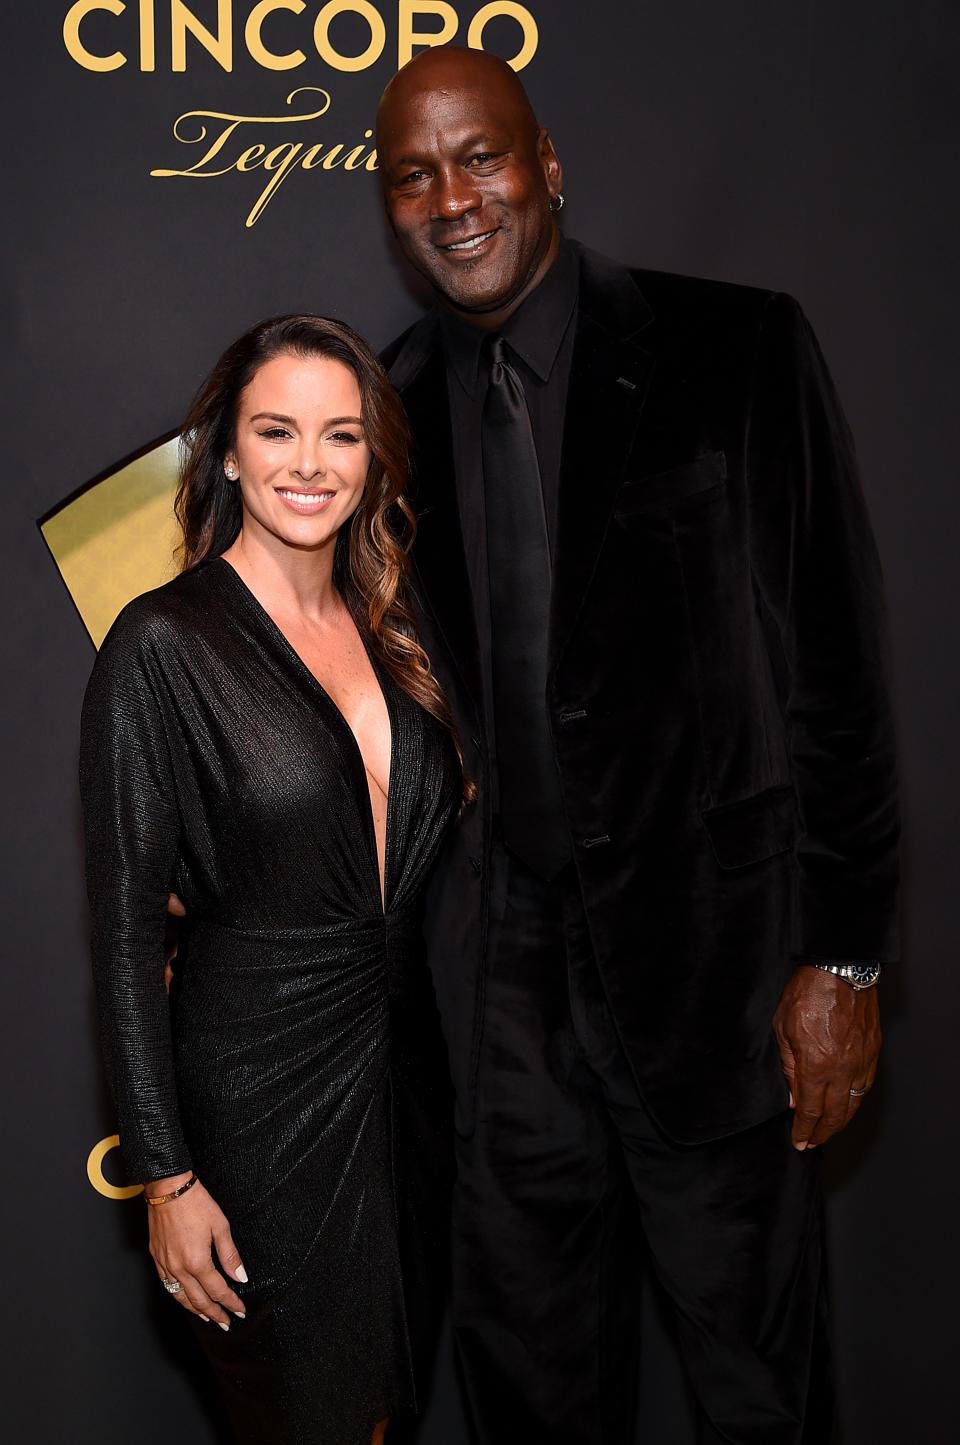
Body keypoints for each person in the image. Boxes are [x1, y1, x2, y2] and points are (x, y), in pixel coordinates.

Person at [374, 46, 899, 1444]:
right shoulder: (384, 411)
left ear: (546, 162)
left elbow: (840, 673)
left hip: (718, 982)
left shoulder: (738, 348)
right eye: (414, 173)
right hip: (498, 1007)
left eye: (479, 156)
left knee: (759, 1398)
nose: (453, 197)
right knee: (530, 1399)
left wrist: (842, 957)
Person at [80, 315, 467, 1445]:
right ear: (229, 452)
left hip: (413, 1093)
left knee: (392, 1407)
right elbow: (118, 930)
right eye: (277, 430)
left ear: (373, 457)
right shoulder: (160, 645)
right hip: (261, 1101)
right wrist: (165, 1174)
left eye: (341, 434)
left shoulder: (401, 629)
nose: (309, 462)